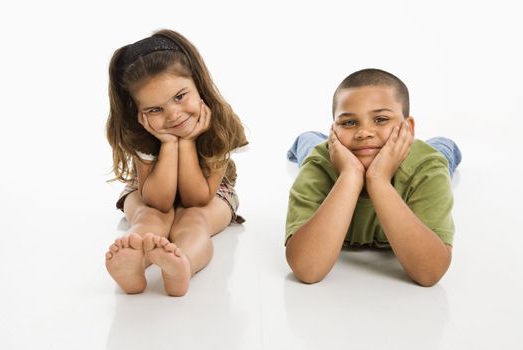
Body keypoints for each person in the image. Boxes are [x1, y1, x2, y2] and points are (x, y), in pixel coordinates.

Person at [285, 68, 461, 287]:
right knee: (310, 143)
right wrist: (350, 175)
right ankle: (308, 138)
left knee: (442, 149)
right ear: (334, 131)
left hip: (420, 153)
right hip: (339, 155)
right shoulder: (321, 164)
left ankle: (445, 144)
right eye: (348, 122)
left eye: (380, 119)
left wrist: (378, 180)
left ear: (408, 128)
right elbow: (307, 268)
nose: (364, 132)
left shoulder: (426, 166)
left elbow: (430, 273)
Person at [104, 29, 247, 296]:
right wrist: (169, 144)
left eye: (180, 97)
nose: (173, 115)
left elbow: (197, 198)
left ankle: (183, 264)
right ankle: (133, 262)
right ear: (139, 112)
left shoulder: (220, 124)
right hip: (149, 190)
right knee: (149, 215)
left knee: (193, 220)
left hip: (211, 192)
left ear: (198, 84)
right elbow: (159, 201)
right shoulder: (140, 131)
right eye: (154, 110)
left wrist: (189, 142)